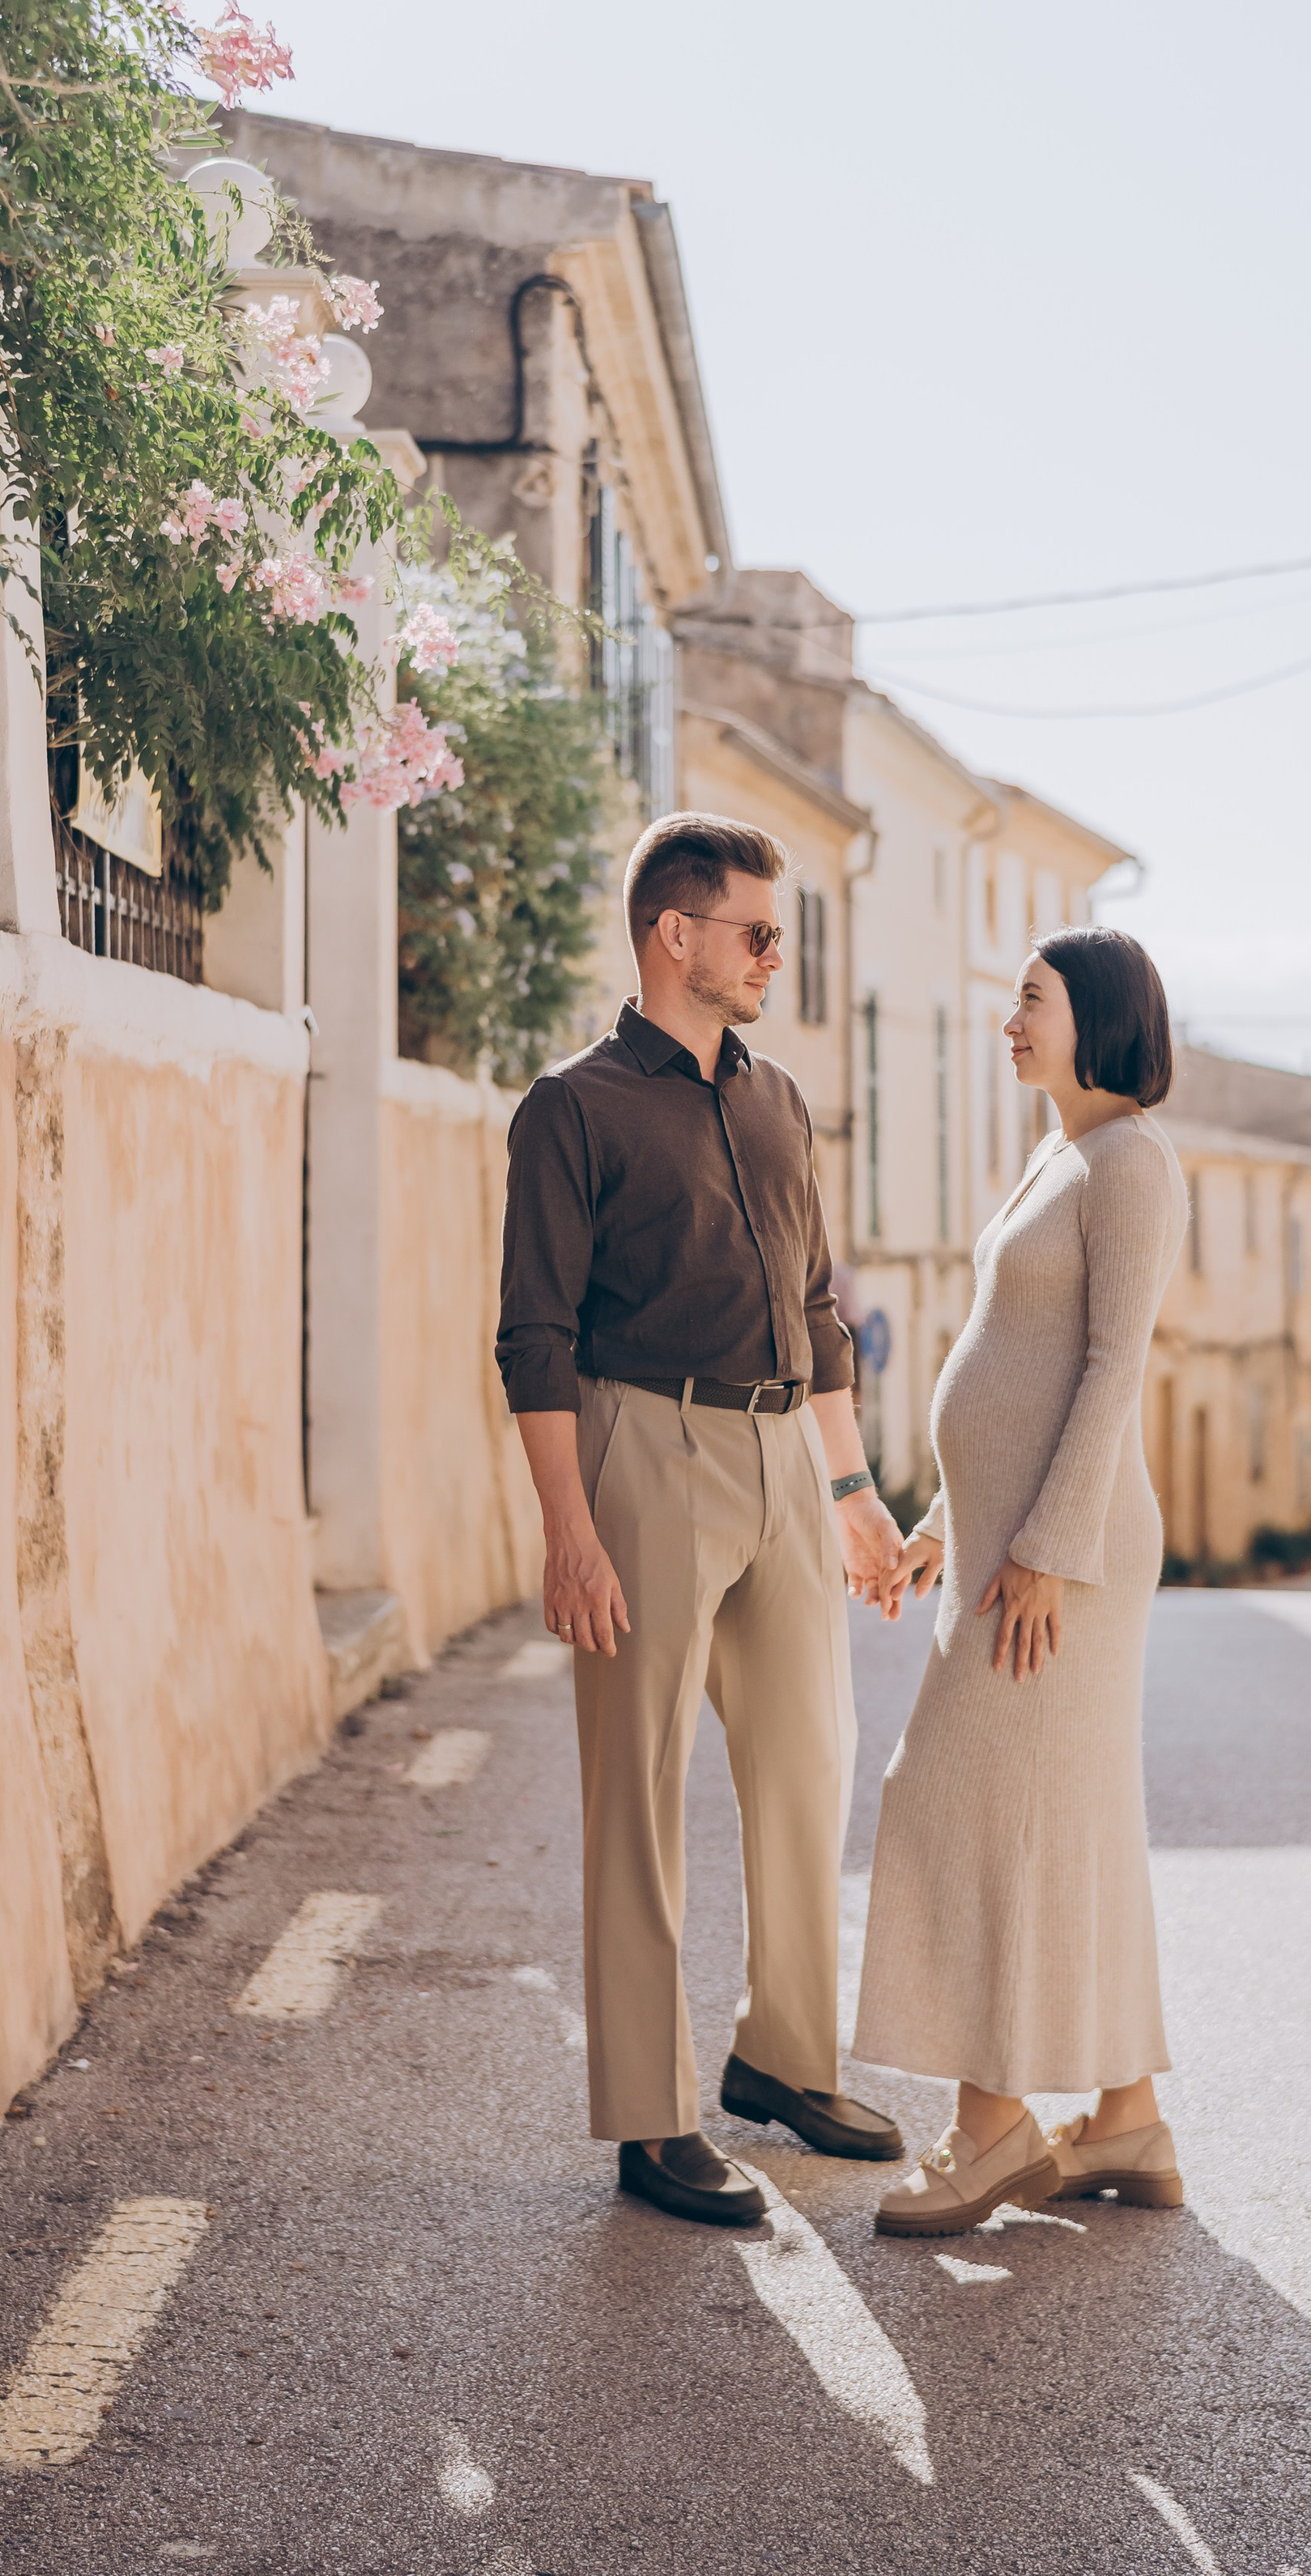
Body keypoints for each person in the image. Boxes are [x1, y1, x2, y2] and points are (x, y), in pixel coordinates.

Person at [496, 814, 913, 2226]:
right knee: (640, 1794)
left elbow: (817, 1306)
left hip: (782, 1456)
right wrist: (569, 1527)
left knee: (810, 1759)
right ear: (677, 936)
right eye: (757, 932)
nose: (773, 956)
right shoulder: (574, 1108)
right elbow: (535, 1335)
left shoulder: (780, 1101)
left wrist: (852, 1493)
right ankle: (648, 2117)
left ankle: (785, 2062)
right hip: (642, 1445)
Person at [853, 925, 1191, 2235]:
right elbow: (1018, 1364)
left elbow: (1111, 1369)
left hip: (1065, 1559)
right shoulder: (1062, 1151)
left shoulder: (1133, 1163)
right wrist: (951, 1514)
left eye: (1031, 1002)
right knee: (1066, 1820)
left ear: (1095, 1017)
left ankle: (990, 2133)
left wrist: (1049, 1547)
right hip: (1006, 1546)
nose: (1010, 1021)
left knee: (963, 1804)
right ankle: (1127, 2120)